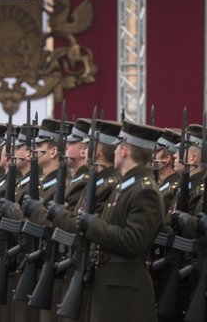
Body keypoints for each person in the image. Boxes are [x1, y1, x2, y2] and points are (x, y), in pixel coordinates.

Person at [77, 121, 163, 322]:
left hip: (124, 293)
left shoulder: (145, 190)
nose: (113, 151)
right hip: (111, 285)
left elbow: (133, 241)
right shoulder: (127, 185)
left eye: (117, 147)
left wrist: (92, 225)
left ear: (124, 150)